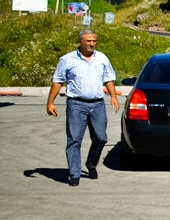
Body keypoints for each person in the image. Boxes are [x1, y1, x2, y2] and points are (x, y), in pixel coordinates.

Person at [46, 29, 121, 186]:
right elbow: (58, 81)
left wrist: (113, 96)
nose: (92, 44)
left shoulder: (102, 58)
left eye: (94, 41)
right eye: (88, 41)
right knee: (74, 140)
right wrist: (50, 102)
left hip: (97, 104)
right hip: (76, 104)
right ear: (80, 42)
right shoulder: (67, 60)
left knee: (101, 138)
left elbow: (108, 79)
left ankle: (91, 164)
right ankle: (74, 173)